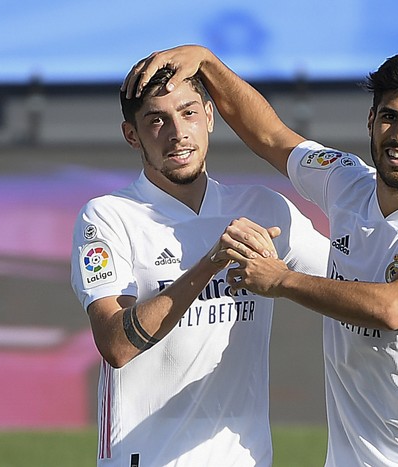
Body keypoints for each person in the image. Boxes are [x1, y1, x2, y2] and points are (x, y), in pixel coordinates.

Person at [126, 45, 398, 466]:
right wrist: (206, 61)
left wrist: (281, 280)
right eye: (391, 116)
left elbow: (395, 307)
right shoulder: (348, 183)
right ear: (372, 122)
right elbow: (269, 136)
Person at [70, 67, 330, 466]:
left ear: (210, 116)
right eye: (157, 120)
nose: (177, 132)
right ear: (131, 135)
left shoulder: (263, 208)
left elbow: (356, 278)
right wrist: (210, 263)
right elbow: (116, 345)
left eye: (188, 112)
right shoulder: (108, 217)